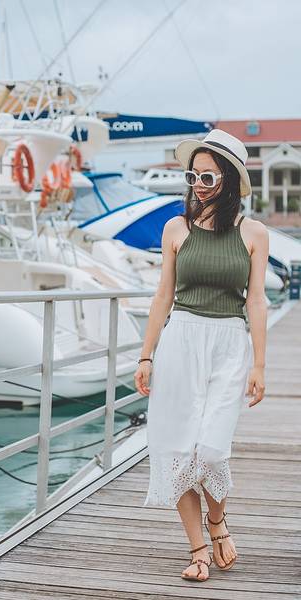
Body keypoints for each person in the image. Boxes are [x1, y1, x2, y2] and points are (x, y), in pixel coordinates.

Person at [134, 129, 269, 582]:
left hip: (230, 343)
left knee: (211, 449)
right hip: (180, 342)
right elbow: (163, 295)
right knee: (176, 448)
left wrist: (260, 364)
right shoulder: (177, 229)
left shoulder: (254, 233)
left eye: (208, 177)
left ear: (228, 180)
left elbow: (256, 301)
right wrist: (146, 355)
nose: (198, 185)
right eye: (193, 176)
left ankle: (217, 522)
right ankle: (197, 549)